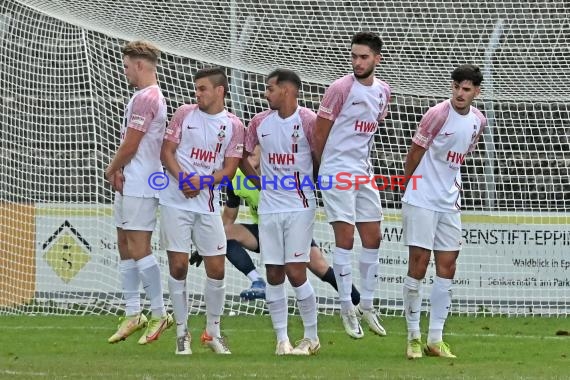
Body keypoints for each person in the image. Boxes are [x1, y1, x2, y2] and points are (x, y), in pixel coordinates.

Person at [190, 147, 362, 307]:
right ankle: (257, 281)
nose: (248, 159)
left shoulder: (279, 174)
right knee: (223, 234)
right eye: (246, 156)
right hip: (264, 230)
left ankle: (358, 302)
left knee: (320, 268)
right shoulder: (236, 179)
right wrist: (211, 243)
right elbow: (229, 215)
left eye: (252, 155)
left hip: (292, 227)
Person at [401, 64, 486, 359]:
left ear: (476, 91)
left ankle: (435, 339)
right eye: (456, 87)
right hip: (422, 196)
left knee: (447, 266)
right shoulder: (437, 115)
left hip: (449, 201)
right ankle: (413, 337)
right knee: (419, 264)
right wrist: (409, 187)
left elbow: (461, 156)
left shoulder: (478, 121)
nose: (460, 94)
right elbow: (415, 153)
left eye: (466, 89)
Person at [159, 67, 245, 355]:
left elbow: (230, 169)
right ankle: (182, 333)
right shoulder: (185, 113)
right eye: (196, 88)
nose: (197, 94)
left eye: (203, 88)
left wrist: (203, 181)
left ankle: (213, 332)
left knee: (217, 269)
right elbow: (167, 151)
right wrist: (183, 178)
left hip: (207, 204)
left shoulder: (234, 125)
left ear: (219, 91)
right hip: (175, 201)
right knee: (179, 266)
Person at [313, 31, 390, 339]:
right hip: (336, 170)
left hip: (362, 169)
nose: (357, 62)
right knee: (345, 238)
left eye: (364, 57)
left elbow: (369, 132)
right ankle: (346, 306)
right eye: (354, 56)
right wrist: (323, 171)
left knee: (374, 236)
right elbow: (320, 133)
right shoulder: (340, 88)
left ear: (376, 59)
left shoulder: (384, 91)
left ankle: (367, 305)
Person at [240, 69, 320, 356]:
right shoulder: (259, 122)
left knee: (296, 271)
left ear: (287, 90)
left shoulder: (309, 120)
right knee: (273, 272)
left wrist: (314, 182)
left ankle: (311, 336)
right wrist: (257, 182)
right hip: (270, 207)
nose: (266, 93)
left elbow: (319, 155)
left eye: (270, 88)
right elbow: (241, 154)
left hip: (299, 205)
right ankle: (282, 340)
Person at [105, 40, 172, 345]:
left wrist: (110, 168)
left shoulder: (148, 98)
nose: (126, 72)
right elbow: (129, 144)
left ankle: (159, 312)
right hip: (130, 178)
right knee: (123, 242)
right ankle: (133, 312)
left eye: (127, 66)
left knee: (140, 246)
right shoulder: (139, 97)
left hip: (144, 182)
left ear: (140, 65)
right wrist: (120, 169)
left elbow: (132, 145)